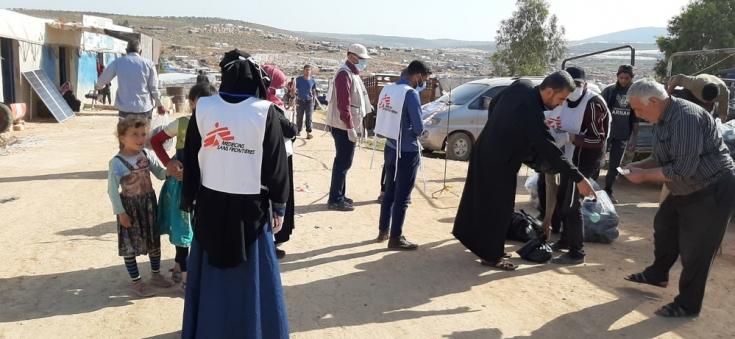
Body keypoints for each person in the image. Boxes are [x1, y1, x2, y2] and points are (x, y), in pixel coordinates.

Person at [180, 49, 289, 338]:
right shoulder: (264, 112)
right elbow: (276, 165)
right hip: (250, 212)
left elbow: (191, 157)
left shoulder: (203, 108)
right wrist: (279, 206)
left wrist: (187, 198)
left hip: (209, 207)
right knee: (251, 280)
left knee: (212, 279)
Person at [453, 71, 596, 271]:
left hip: (484, 150)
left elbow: (494, 103)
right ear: (549, 91)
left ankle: (473, 239)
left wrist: (499, 128)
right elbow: (551, 149)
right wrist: (578, 178)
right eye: (561, 98)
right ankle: (491, 256)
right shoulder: (532, 113)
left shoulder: (522, 86)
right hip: (500, 161)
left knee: (479, 200)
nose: (561, 104)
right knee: (499, 209)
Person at [622, 78, 735, 318]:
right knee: (664, 225)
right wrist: (638, 166)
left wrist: (643, 176)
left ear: (653, 101)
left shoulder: (685, 117)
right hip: (685, 186)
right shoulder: (662, 119)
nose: (637, 113)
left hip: (712, 187)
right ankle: (658, 274)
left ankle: (687, 304)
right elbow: (663, 158)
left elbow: (683, 168)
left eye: (637, 108)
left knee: (697, 251)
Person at [150, 83, 216, 291]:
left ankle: (183, 266)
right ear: (192, 103)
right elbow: (156, 141)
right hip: (181, 186)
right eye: (199, 102)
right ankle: (186, 278)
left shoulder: (216, 126)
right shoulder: (183, 124)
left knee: (199, 228)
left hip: (205, 186)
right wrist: (168, 163)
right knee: (182, 230)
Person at [543, 67, 610, 265]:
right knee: (564, 199)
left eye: (578, 85)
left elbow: (598, 139)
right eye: (571, 86)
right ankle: (565, 240)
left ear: (585, 84)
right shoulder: (563, 101)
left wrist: (572, 138)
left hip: (584, 162)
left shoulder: (593, 103)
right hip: (568, 159)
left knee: (572, 206)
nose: (574, 89)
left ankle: (576, 252)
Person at [107, 116, 176, 298]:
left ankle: (155, 275)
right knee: (130, 246)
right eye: (134, 134)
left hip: (149, 205)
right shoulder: (117, 162)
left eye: (143, 134)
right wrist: (120, 213)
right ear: (122, 138)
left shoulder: (146, 155)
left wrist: (172, 168)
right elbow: (112, 191)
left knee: (154, 242)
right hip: (130, 208)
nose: (140, 139)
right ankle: (137, 283)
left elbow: (160, 175)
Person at [374, 60, 430, 250]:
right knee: (403, 196)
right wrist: (421, 127)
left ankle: (383, 230)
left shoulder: (389, 89)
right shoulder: (411, 94)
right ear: (418, 76)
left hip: (390, 146)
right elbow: (418, 127)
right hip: (407, 150)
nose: (423, 83)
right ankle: (396, 237)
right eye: (424, 79)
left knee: (389, 190)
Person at [325, 43, 372, 211]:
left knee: (344, 162)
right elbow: (344, 105)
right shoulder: (344, 74)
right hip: (343, 126)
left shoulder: (351, 73)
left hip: (345, 124)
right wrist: (350, 127)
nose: (363, 62)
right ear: (352, 57)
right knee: (343, 162)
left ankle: (340, 194)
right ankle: (335, 199)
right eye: (362, 59)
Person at [263, 63, 299, 259]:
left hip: (281, 155)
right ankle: (272, 242)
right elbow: (291, 130)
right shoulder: (270, 107)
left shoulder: (273, 103)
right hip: (279, 159)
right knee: (276, 200)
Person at [96, 40, 165, 120]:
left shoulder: (118, 62)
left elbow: (102, 81)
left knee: (125, 132)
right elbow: (153, 88)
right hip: (144, 109)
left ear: (126, 51)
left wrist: (99, 87)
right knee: (143, 132)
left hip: (125, 110)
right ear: (141, 51)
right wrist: (159, 104)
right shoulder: (149, 64)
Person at [601, 65, 637, 203]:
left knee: (614, 165)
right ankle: (593, 192)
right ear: (617, 77)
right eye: (621, 77)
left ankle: (608, 191)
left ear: (631, 78)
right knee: (598, 162)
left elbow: (635, 118)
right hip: (606, 133)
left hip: (622, 135)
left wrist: (634, 137)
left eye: (626, 78)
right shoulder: (609, 91)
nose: (623, 80)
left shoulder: (634, 94)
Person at [296, 64, 318, 139]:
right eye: (306, 70)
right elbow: (294, 89)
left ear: (311, 71)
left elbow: (314, 91)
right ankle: (298, 130)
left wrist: (314, 102)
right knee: (299, 117)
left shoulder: (313, 80)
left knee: (309, 117)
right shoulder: (298, 79)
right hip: (300, 101)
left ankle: (308, 133)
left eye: (309, 70)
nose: (308, 71)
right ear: (304, 70)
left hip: (309, 101)